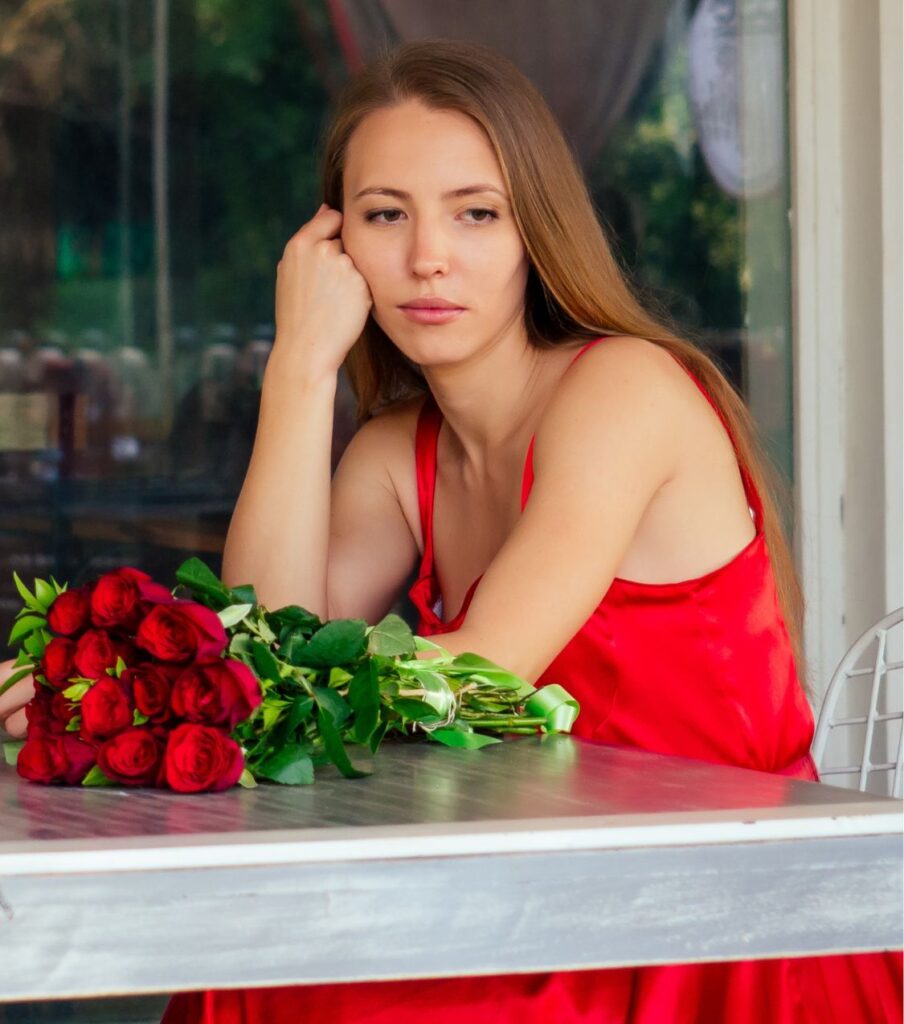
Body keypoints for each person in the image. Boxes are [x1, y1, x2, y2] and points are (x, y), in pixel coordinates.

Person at [1, 38, 900, 1024]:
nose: (428, 257)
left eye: (477, 214)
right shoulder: (399, 453)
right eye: (386, 216)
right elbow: (261, 643)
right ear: (336, 247)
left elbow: (479, 675)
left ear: (535, 235)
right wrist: (297, 368)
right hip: (533, 893)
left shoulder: (625, 390)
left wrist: (164, 691)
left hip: (721, 922)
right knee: (260, 966)